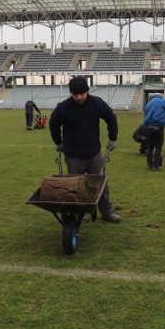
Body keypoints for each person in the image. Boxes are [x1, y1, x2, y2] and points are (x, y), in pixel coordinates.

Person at [49, 75, 122, 223]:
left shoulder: (97, 103)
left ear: (87, 91)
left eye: (82, 93)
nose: (79, 97)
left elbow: (111, 118)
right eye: (75, 94)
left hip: (94, 153)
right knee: (75, 186)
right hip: (73, 155)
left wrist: (113, 138)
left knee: (100, 183)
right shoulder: (63, 107)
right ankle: (77, 214)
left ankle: (107, 211)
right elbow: (53, 123)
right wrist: (58, 142)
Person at [142, 93, 165, 171]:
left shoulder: (148, 103)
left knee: (150, 147)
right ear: (160, 96)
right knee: (158, 147)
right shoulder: (162, 101)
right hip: (159, 126)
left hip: (149, 127)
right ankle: (156, 166)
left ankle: (149, 165)